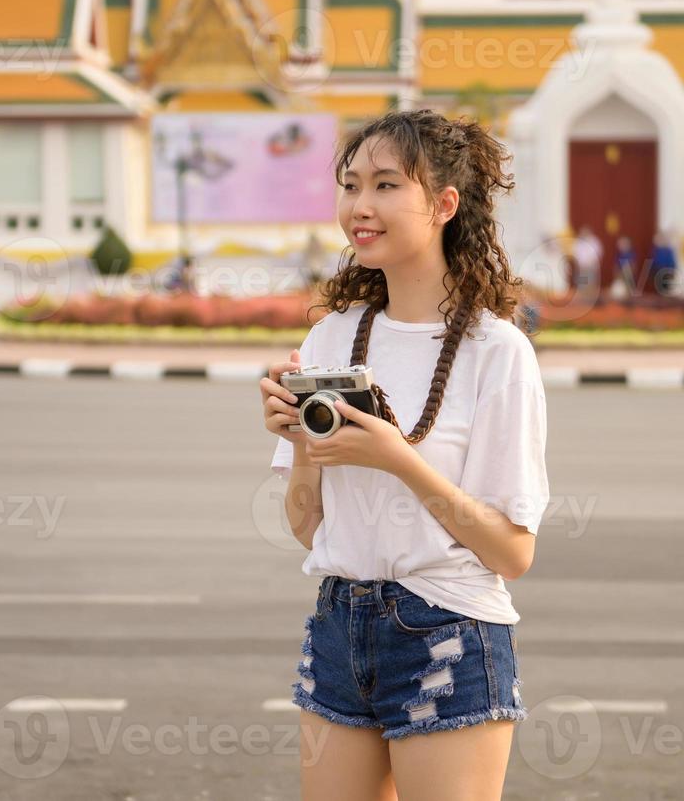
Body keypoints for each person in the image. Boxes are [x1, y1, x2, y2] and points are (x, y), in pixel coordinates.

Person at [258, 110, 550, 800]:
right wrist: (300, 440)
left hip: (445, 627)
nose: (360, 207)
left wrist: (398, 459)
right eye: (350, 184)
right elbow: (306, 528)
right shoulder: (332, 337)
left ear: (444, 204)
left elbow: (513, 553)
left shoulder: (495, 351)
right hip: (337, 621)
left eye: (387, 185)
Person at [572, 226, 604, 304]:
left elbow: (599, 253)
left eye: (585, 232)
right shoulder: (578, 242)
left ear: (589, 233)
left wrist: (592, 262)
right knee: (582, 283)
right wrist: (578, 264)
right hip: (581, 267)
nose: (583, 234)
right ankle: (583, 300)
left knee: (591, 283)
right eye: (582, 232)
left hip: (591, 266)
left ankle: (591, 300)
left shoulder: (595, 241)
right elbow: (575, 254)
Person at [649, 230, 679, 297]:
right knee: (659, 287)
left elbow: (672, 262)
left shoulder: (668, 250)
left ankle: (666, 300)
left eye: (660, 239)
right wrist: (651, 271)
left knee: (666, 288)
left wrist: (672, 272)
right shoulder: (655, 250)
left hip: (666, 271)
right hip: (657, 270)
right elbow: (652, 261)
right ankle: (660, 300)